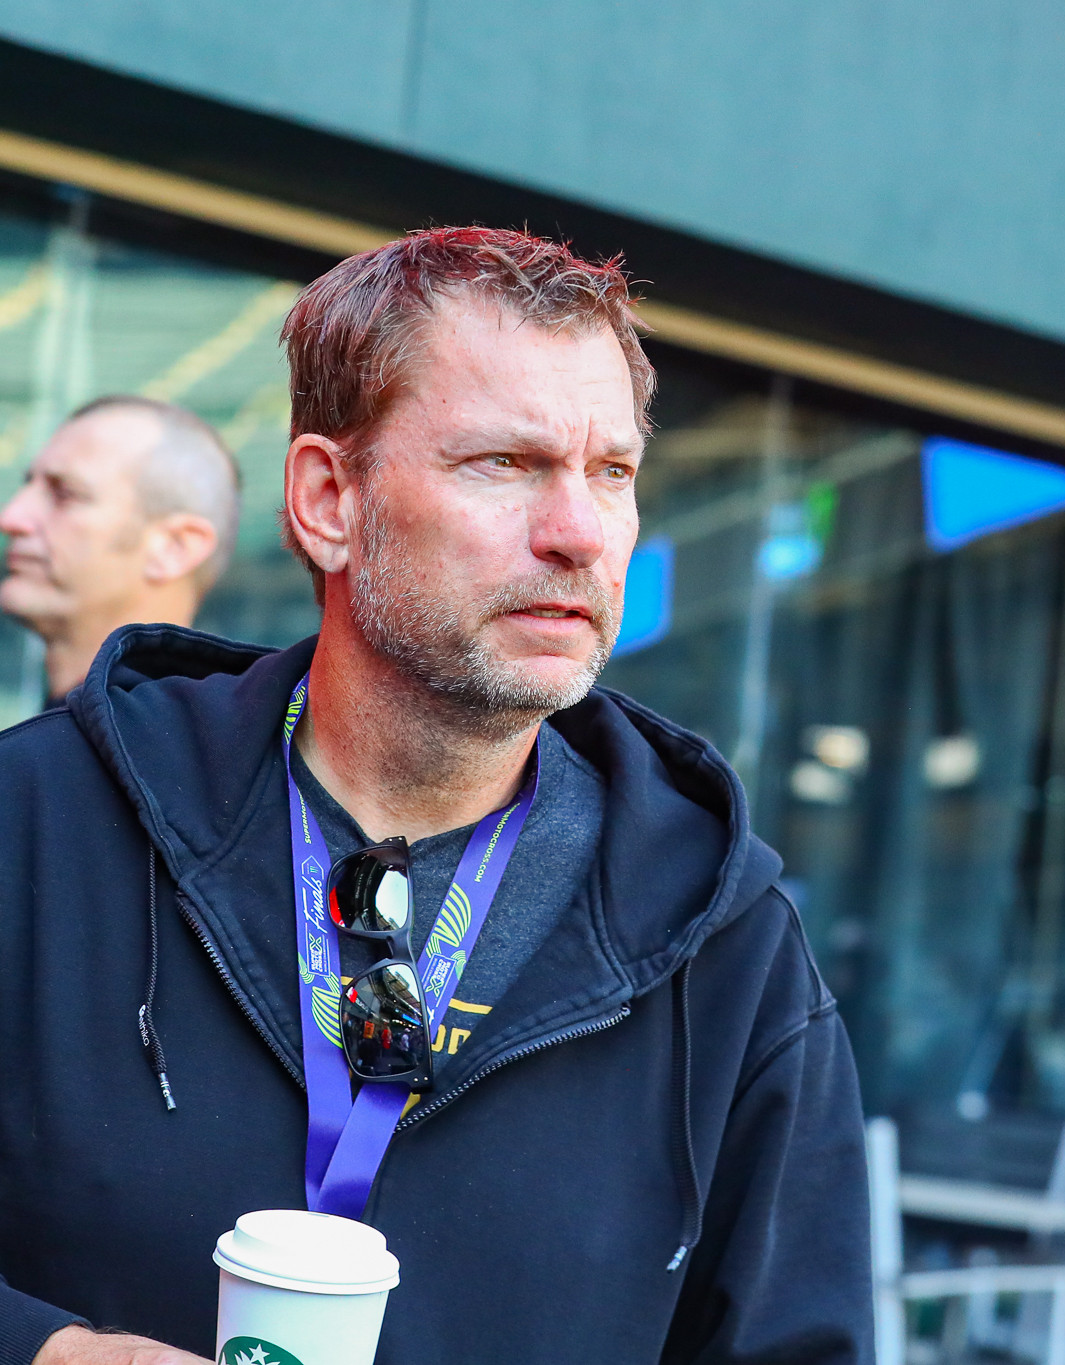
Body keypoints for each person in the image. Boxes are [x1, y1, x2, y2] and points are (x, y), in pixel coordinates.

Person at [0, 228, 870, 1365]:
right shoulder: (41, 823)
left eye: (611, 472)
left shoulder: (725, 941)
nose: (577, 534)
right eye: (502, 464)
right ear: (327, 498)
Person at [0, 396, 240, 701]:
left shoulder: (178, 743)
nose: (11, 518)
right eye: (28, 485)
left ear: (175, 547)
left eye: (65, 494)